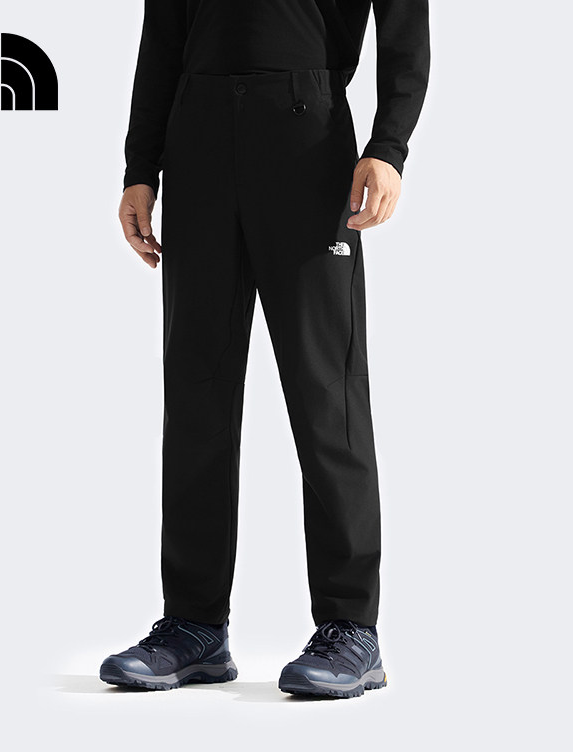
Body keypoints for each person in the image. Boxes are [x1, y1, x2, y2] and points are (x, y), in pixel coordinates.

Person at [100, 0, 430, 698]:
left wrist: (388, 146)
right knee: (196, 390)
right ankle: (193, 625)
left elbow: (405, 28)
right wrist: (140, 166)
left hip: (306, 137)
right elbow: (162, 36)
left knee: (326, 391)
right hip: (196, 139)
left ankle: (351, 627)